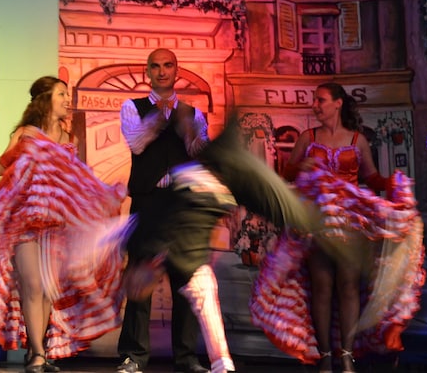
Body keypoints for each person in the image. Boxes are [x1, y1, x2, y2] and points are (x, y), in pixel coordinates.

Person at [112, 119, 322, 373]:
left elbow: (111, 232)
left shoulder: (141, 235)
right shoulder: (193, 274)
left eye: (137, 280)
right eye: (142, 284)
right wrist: (222, 363)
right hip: (221, 189)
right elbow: (209, 311)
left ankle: (196, 360)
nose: (144, 280)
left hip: (200, 178)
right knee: (205, 292)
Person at [251, 82, 425, 373]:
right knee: (322, 287)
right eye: (314, 100)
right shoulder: (308, 138)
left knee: (348, 287)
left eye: (320, 100)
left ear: (338, 103)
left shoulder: (357, 140)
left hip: (350, 225)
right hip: (318, 223)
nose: (315, 105)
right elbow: (287, 171)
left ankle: (346, 354)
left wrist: (391, 182)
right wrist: (301, 167)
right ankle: (324, 356)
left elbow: (370, 177)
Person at [0, 76, 130, 373]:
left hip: (57, 224)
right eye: (61, 94)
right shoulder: (26, 133)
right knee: (33, 285)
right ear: (45, 99)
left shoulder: (69, 139)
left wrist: (104, 198)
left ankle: (37, 352)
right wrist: (25, 151)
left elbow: (77, 180)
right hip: (26, 220)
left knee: (48, 289)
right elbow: (0, 167)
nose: (67, 99)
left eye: (67, 94)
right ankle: (38, 353)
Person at [116, 48, 209, 373]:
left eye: (168, 65)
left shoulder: (194, 113)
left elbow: (200, 153)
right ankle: (133, 356)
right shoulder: (133, 107)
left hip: (182, 205)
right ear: (148, 72)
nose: (162, 71)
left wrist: (189, 129)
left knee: (185, 280)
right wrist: (161, 116)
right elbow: (136, 143)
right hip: (148, 203)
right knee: (140, 280)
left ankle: (187, 357)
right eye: (155, 66)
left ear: (176, 70)